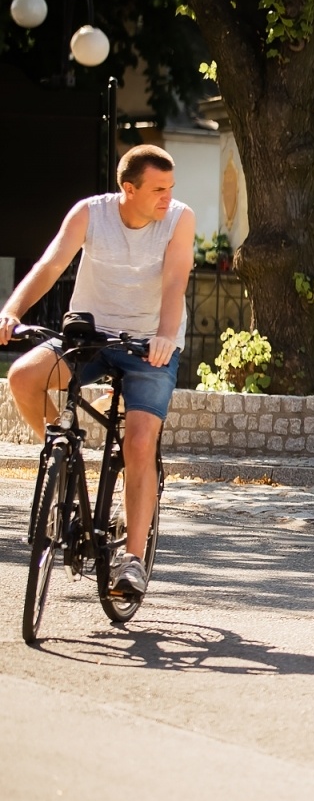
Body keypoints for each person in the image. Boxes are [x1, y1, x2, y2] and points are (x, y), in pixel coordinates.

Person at [0, 145, 195, 598]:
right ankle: (65, 457)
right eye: (158, 189)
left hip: (150, 345)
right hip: (87, 338)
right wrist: (10, 311)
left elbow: (175, 278)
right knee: (23, 378)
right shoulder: (91, 213)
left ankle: (132, 560)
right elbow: (50, 265)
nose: (168, 198)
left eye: (171, 188)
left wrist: (166, 334)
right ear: (129, 189)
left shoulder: (178, 219)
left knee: (140, 440)